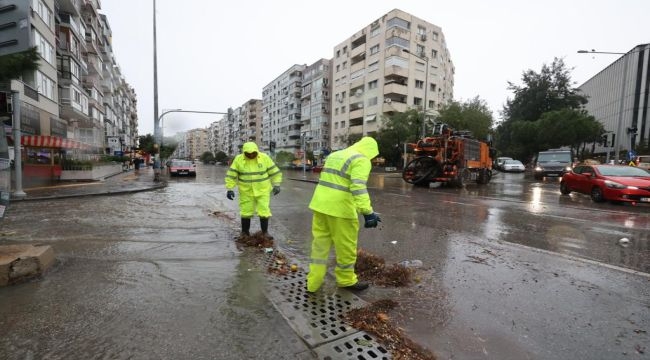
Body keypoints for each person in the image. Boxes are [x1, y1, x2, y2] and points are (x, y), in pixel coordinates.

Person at [306, 136, 381, 293]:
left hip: (320, 206)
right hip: (341, 211)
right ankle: (346, 280)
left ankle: (313, 283)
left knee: (319, 247)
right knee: (345, 248)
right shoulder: (361, 160)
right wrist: (367, 212)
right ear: (371, 152)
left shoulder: (335, 155)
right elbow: (358, 187)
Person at [225, 142, 282, 237]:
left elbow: (275, 172)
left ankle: (265, 232)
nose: (251, 155)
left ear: (257, 151)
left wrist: (277, 184)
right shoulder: (239, 159)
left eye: (253, 153)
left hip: (263, 190)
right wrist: (230, 189)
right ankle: (244, 232)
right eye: (248, 153)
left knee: (264, 211)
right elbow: (231, 175)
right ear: (244, 152)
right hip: (246, 191)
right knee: (246, 212)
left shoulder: (264, 158)